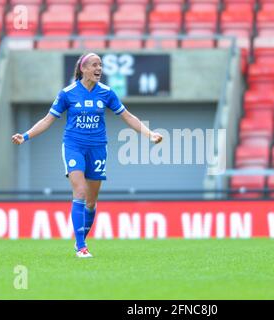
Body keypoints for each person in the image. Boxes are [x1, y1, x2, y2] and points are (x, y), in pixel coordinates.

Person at [12, 52, 163, 258]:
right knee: (80, 191)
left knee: (91, 202)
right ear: (83, 69)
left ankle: (81, 240)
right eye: (94, 65)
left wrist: (149, 134)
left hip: (98, 148)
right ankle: (81, 246)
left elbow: (127, 116)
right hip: (74, 146)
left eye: (100, 65)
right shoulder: (68, 93)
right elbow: (48, 119)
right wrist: (26, 135)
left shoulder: (107, 93)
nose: (98, 68)